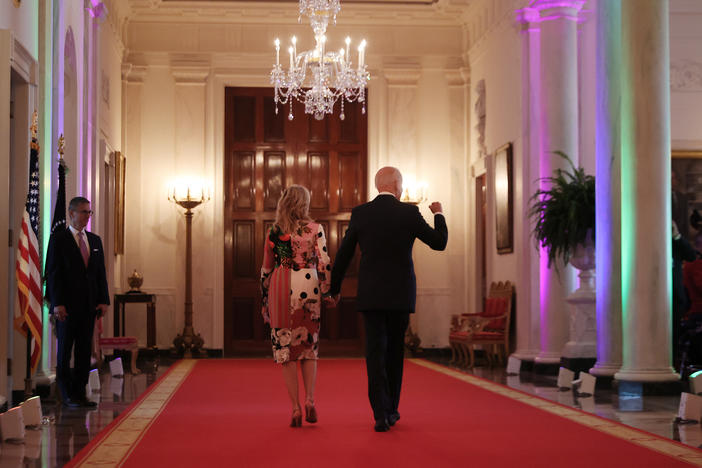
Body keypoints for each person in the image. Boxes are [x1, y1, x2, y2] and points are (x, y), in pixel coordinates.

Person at [329, 167, 448, 432]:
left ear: (377, 185)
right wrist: (438, 213)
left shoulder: (361, 213)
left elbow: (344, 256)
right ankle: (392, 409)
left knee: (374, 353)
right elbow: (439, 242)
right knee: (395, 352)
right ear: (397, 185)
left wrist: (334, 289)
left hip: (371, 295)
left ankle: (380, 413)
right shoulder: (409, 213)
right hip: (400, 295)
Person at [260, 185, 333, 427]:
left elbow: (266, 268)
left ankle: (295, 408)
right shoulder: (314, 229)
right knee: (308, 348)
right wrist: (328, 291)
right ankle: (310, 399)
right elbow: (323, 263)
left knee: (285, 350)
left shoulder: (275, 231)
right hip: (308, 285)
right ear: (305, 204)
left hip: (281, 286)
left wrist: (264, 299)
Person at [46, 197, 109, 408]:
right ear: (71, 214)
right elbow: (53, 274)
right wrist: (57, 304)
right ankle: (66, 394)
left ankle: (80, 393)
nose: (87, 216)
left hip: (89, 305)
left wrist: (103, 300)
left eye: (89, 212)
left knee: (83, 350)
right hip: (66, 306)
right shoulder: (59, 240)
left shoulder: (95, 240)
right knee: (65, 350)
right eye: (83, 212)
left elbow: (100, 273)